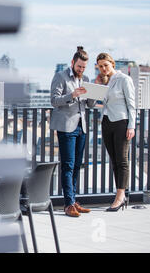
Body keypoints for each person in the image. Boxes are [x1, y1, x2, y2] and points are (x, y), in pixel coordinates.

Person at [50, 46, 96, 217]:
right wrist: (72, 95)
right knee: (68, 166)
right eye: (79, 67)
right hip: (66, 127)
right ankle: (68, 204)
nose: (81, 70)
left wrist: (93, 94)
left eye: (84, 67)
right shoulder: (60, 76)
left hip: (81, 126)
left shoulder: (86, 79)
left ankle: (74, 201)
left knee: (77, 165)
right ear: (72, 63)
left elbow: (90, 105)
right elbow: (54, 100)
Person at [95, 53, 136, 211]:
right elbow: (97, 102)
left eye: (106, 65)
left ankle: (120, 196)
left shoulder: (124, 79)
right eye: (100, 66)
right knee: (114, 160)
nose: (103, 68)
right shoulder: (104, 81)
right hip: (106, 122)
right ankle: (120, 194)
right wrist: (97, 86)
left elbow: (131, 104)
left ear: (112, 63)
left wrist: (131, 125)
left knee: (122, 160)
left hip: (121, 122)